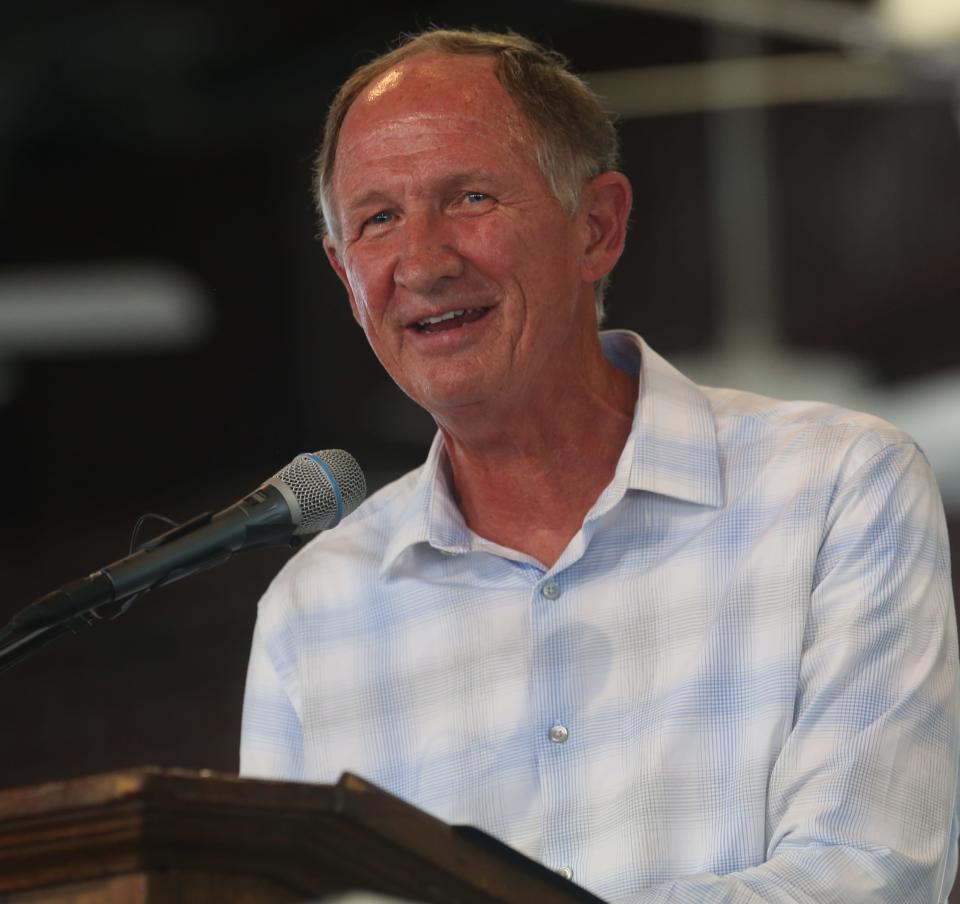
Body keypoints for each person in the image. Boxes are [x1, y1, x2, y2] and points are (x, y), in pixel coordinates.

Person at [240, 28, 959, 903]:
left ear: (598, 226)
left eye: (469, 197)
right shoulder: (309, 613)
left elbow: (870, 875)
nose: (421, 263)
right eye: (378, 219)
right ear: (345, 277)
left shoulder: (840, 486)